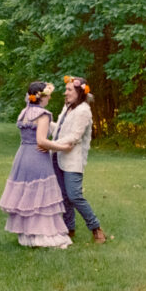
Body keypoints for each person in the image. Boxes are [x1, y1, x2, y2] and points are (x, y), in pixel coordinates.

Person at [0, 82, 72, 248]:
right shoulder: (43, 114)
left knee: (27, 194)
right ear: (42, 96)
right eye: (49, 95)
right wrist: (63, 147)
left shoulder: (24, 112)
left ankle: (27, 235)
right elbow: (41, 141)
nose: (50, 97)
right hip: (37, 157)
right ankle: (41, 235)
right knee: (41, 197)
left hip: (22, 156)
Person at [41, 75, 107, 244]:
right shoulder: (68, 107)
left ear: (79, 92)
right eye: (66, 89)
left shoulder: (84, 110)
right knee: (63, 196)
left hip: (72, 160)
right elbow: (60, 131)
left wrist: (49, 144)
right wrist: (44, 120)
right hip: (58, 156)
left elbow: (74, 137)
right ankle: (68, 229)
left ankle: (96, 228)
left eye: (69, 90)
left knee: (74, 195)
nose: (66, 93)